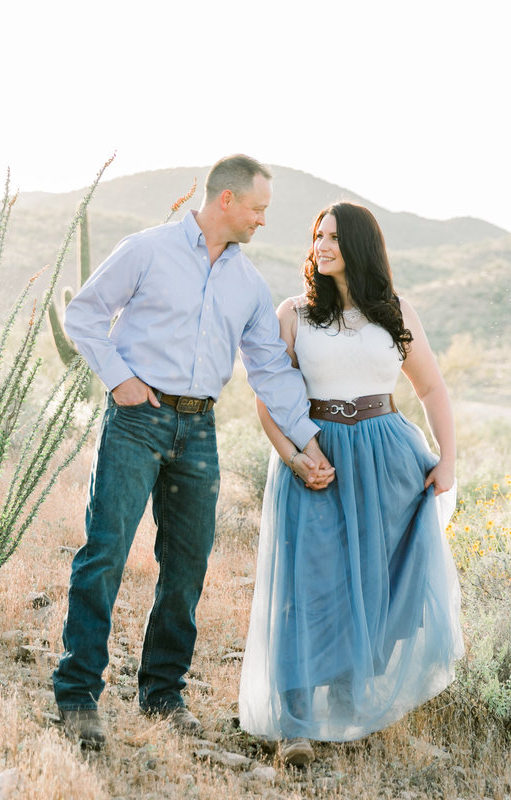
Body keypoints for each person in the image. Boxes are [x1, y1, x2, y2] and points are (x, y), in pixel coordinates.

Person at [53, 154, 335, 750]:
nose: (263, 220)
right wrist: (118, 379)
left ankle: (161, 692)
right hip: (137, 420)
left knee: (187, 566)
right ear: (226, 201)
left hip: (198, 431)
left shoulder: (248, 285)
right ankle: (77, 695)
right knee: (105, 551)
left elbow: (270, 371)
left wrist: (308, 442)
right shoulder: (147, 250)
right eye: (258, 208)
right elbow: (84, 315)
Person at [237, 202, 463, 766]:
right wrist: (293, 457)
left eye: (334, 237)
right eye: (317, 235)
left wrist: (448, 459)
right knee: (306, 586)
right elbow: (269, 397)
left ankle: (344, 702)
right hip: (318, 455)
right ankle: (293, 723)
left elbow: (433, 390)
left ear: (360, 245)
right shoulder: (294, 313)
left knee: (373, 582)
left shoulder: (396, 312)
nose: (322, 246)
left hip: (388, 456)